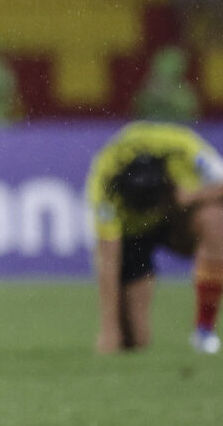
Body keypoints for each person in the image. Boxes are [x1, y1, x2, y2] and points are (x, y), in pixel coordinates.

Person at [83, 123, 223, 354]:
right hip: (133, 237)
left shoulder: (184, 148)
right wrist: (108, 329)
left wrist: (192, 196)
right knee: (136, 341)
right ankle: (127, 330)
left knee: (215, 221)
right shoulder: (104, 179)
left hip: (175, 222)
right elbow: (108, 260)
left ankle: (204, 330)